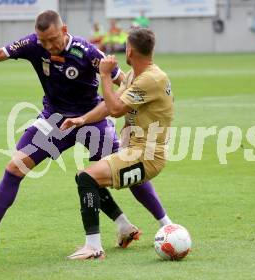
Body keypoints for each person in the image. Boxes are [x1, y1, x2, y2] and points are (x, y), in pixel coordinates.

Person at [0, 10, 172, 252]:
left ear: (64, 30)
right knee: (15, 167)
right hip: (55, 120)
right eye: (43, 41)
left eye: (53, 39)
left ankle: (166, 225)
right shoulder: (32, 44)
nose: (48, 45)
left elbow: (122, 81)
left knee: (124, 169)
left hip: (91, 120)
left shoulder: (87, 51)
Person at [61, 28, 174, 260]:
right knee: (90, 178)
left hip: (147, 155)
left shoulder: (151, 79)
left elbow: (115, 109)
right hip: (135, 150)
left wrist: (104, 75)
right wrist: (82, 119)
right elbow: (109, 105)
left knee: (87, 178)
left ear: (130, 50)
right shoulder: (136, 75)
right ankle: (131, 227)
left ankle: (93, 247)